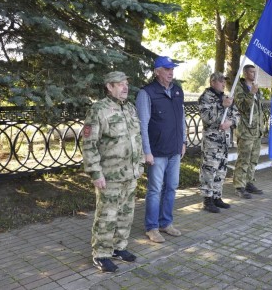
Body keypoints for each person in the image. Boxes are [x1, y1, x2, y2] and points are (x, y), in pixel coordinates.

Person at [82, 71, 144, 273]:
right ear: (109, 86)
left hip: (130, 174)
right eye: (120, 84)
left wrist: (140, 164)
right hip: (110, 175)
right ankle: (101, 254)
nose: (125, 87)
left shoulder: (130, 108)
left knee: (126, 214)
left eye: (126, 83)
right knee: (107, 216)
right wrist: (95, 173)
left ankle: (119, 248)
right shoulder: (98, 109)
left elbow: (137, 138)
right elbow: (89, 144)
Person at [136, 56, 186, 243]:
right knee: (155, 189)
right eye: (166, 69)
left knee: (171, 187)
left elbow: (181, 119)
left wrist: (183, 142)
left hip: (174, 149)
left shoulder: (177, 91)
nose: (171, 72)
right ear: (157, 72)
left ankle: (166, 222)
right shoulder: (146, 93)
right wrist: (146, 151)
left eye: (172, 69)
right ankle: (152, 227)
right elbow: (142, 125)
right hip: (156, 151)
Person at [198, 72, 239, 213]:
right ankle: (207, 199)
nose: (223, 83)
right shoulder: (205, 98)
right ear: (212, 82)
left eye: (224, 81)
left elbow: (237, 115)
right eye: (221, 81)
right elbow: (206, 117)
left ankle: (217, 196)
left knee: (221, 170)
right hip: (212, 141)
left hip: (224, 141)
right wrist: (221, 105)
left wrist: (230, 122)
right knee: (210, 170)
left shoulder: (226, 97)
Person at [233, 64, 264, 198]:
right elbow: (243, 107)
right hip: (246, 130)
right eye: (251, 72)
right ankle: (239, 186)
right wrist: (251, 93)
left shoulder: (257, 88)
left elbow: (259, 110)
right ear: (245, 73)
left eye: (255, 72)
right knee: (243, 159)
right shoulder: (240, 88)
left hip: (256, 130)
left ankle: (249, 182)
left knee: (253, 159)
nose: (254, 74)